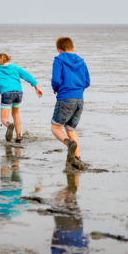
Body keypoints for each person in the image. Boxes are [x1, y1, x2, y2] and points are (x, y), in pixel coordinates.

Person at [51, 37, 90, 169]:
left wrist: (56, 89)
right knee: (71, 129)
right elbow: (87, 82)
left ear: (58, 50)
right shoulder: (81, 62)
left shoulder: (58, 60)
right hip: (79, 99)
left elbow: (56, 79)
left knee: (55, 127)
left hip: (65, 97)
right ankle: (77, 158)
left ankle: (69, 145)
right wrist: (78, 90)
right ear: (73, 49)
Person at [0, 53, 43, 142]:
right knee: (15, 115)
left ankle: (9, 126)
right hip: (18, 93)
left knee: (4, 118)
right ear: (9, 60)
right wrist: (36, 87)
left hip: (7, 93)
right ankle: (18, 137)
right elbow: (27, 76)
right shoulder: (15, 67)